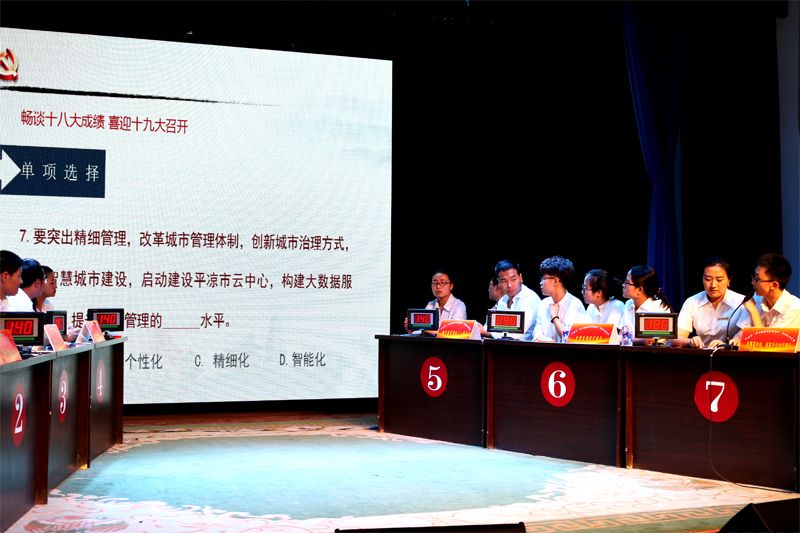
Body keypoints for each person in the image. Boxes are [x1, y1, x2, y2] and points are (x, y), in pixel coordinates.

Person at [671, 257, 747, 348]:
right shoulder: (692, 302)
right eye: (707, 279)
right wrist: (690, 341)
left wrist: (727, 345)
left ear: (729, 280)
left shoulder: (742, 303)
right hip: (701, 353)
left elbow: (745, 336)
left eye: (719, 280)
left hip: (730, 354)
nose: (713, 285)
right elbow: (676, 338)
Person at [733, 253, 800, 338]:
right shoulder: (755, 299)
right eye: (754, 277)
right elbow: (741, 334)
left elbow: (770, 343)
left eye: (757, 279)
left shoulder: (794, 308)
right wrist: (729, 343)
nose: (752, 282)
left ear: (774, 285)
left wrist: (753, 311)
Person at [533, 256, 588, 342]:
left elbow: (571, 339)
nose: (541, 282)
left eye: (543, 278)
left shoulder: (575, 305)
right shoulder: (543, 304)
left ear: (556, 281)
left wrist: (555, 318)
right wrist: (539, 338)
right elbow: (537, 332)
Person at [618, 265, 672, 341]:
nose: (623, 285)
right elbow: (622, 334)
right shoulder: (629, 304)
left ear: (640, 289)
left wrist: (623, 338)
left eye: (627, 282)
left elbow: (649, 340)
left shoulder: (658, 308)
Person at [493, 259, 541, 340]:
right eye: (504, 281)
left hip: (525, 346)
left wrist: (487, 332)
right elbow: (495, 327)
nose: (509, 285)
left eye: (513, 279)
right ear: (499, 282)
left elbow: (515, 334)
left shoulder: (530, 298)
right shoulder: (503, 300)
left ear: (520, 278)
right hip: (504, 344)